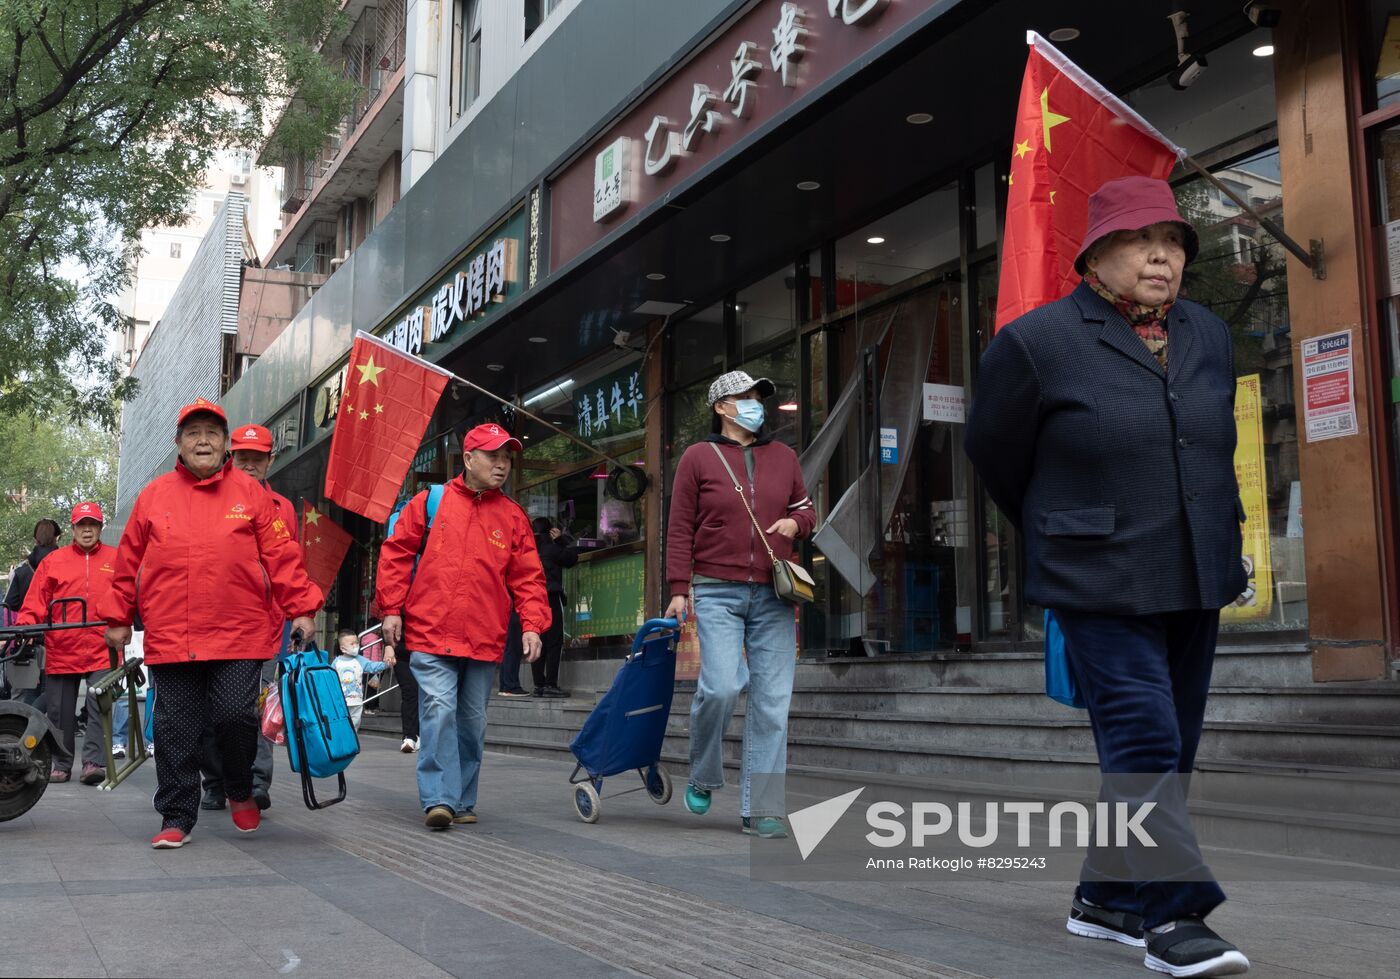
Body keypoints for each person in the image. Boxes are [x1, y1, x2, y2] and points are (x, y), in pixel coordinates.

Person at [965, 176, 1250, 978]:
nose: (1162, 256)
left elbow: (1209, 443)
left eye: (1174, 242)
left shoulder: (1209, 333)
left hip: (1195, 566)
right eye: (1140, 240)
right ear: (1095, 256)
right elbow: (993, 453)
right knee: (1144, 734)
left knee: (1172, 746)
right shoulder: (1037, 343)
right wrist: (1061, 525)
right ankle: (1173, 916)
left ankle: (1106, 895)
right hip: (1095, 575)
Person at [100, 397, 322, 849]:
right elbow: (127, 564)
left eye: (212, 433)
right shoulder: (153, 496)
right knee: (176, 726)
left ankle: (240, 788)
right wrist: (118, 616)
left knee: (235, 714)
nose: (203, 440)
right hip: (171, 632)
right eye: (193, 433)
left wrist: (302, 607)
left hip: (241, 631)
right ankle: (177, 814)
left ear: (225, 445)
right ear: (178, 444)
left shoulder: (251, 494)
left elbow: (283, 557)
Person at [664, 370, 817, 840]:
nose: (756, 404)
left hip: (774, 594)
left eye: (758, 396)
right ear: (722, 407)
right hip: (716, 590)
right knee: (722, 687)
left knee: (772, 705)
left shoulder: (784, 456)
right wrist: (677, 588)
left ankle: (763, 808)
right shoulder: (696, 458)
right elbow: (679, 527)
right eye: (745, 397)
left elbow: (806, 508)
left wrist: (797, 525)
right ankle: (705, 773)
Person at [377, 422, 550, 830]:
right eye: (493, 456)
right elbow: (396, 554)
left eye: (507, 457)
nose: (502, 465)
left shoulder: (512, 517)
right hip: (431, 631)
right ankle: (439, 798)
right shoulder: (429, 502)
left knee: (472, 722)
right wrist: (391, 609)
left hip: (484, 637)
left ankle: (462, 797)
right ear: (468, 458)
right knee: (438, 709)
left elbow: (528, 576)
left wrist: (532, 625)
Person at [199, 423, 295, 813]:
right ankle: (216, 781)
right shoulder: (210, 499)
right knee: (211, 708)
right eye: (243, 458)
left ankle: (255, 783)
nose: (250, 465)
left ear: (270, 460)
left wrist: (298, 614)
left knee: (255, 709)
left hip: (266, 628)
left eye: (258, 458)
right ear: (230, 457)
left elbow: (289, 565)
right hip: (212, 624)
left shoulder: (282, 509)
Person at [17, 503, 118, 784]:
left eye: (92, 525)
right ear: (73, 529)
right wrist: (25, 626)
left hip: (103, 646)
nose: (87, 530)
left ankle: (93, 763)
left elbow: (128, 595)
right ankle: (61, 763)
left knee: (100, 706)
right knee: (59, 711)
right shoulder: (54, 561)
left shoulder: (117, 558)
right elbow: (35, 599)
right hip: (63, 645)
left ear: (100, 528)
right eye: (81, 525)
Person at [3, 518, 62, 703]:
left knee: (22, 690)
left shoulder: (22, 569)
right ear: (57, 538)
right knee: (55, 689)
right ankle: (44, 725)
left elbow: (10, 603)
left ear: (36, 539)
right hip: (58, 634)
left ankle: (19, 726)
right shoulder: (63, 563)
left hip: (27, 635)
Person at [530, 517, 577, 698]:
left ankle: (538, 685)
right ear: (550, 530)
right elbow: (572, 558)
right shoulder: (552, 548)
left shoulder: (530, 550)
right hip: (550, 597)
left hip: (533, 599)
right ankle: (550, 684)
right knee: (554, 641)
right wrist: (561, 539)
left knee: (536, 639)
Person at [333, 629, 389, 730]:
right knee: (342, 725)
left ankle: (351, 743)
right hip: (340, 701)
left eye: (356, 643)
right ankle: (345, 744)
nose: (355, 646)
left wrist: (386, 664)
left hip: (356, 701)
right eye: (352, 644)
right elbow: (330, 679)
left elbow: (372, 666)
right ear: (343, 648)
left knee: (355, 725)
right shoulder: (336, 662)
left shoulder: (359, 660)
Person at [497, 610, 530, 697]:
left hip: (507, 612)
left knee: (508, 649)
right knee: (513, 648)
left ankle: (505, 686)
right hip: (515, 611)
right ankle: (511, 686)